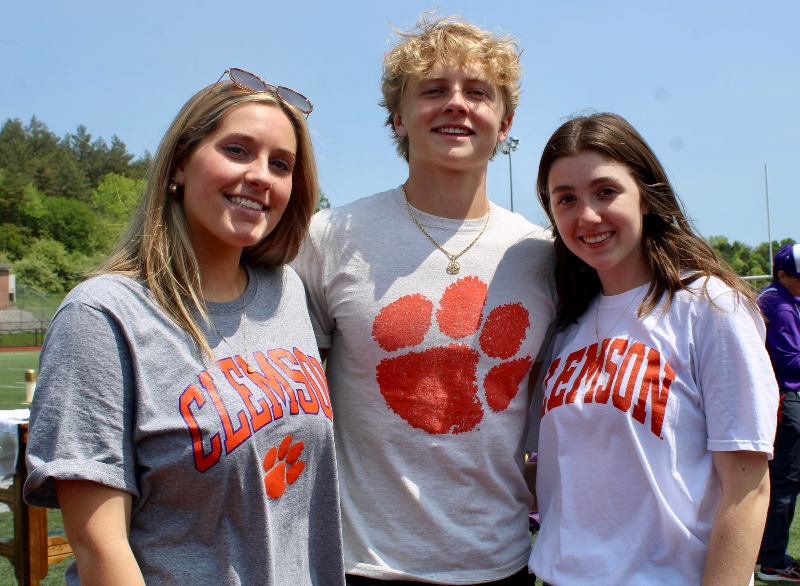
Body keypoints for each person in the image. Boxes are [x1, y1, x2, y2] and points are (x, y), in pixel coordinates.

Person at [23, 68, 344, 585]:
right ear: (179, 165)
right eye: (237, 150)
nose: (261, 175)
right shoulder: (102, 316)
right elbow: (98, 546)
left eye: (281, 164)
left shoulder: (287, 294)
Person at [292, 14, 556, 586]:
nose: (456, 104)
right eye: (434, 90)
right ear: (398, 117)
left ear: (505, 122)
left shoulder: (546, 257)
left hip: (501, 561)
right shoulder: (329, 238)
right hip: (360, 563)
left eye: (477, 92)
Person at [528, 112, 778, 585]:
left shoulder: (707, 307)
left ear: (646, 196)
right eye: (566, 199)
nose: (587, 216)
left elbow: (747, 488)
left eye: (606, 191)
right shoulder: (565, 329)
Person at [757, 242, 800, 582]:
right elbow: (790, 364)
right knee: (785, 480)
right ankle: (771, 558)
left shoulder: (778, 298)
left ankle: (768, 552)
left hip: (779, 397)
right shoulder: (782, 306)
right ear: (783, 275)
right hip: (787, 396)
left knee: (780, 479)